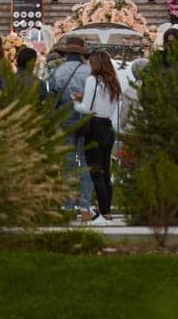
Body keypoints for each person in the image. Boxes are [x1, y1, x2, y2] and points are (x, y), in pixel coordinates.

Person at [74, 48, 123, 225]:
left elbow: (87, 109)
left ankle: (103, 213)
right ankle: (107, 210)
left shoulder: (92, 80)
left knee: (95, 172)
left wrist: (75, 103)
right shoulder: (113, 82)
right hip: (108, 127)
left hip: (94, 127)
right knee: (106, 171)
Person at [47, 35, 93, 219]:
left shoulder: (57, 72)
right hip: (86, 121)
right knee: (85, 162)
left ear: (66, 53)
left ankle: (67, 204)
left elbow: (53, 100)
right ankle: (85, 205)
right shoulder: (89, 71)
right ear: (81, 53)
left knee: (67, 163)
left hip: (65, 121)